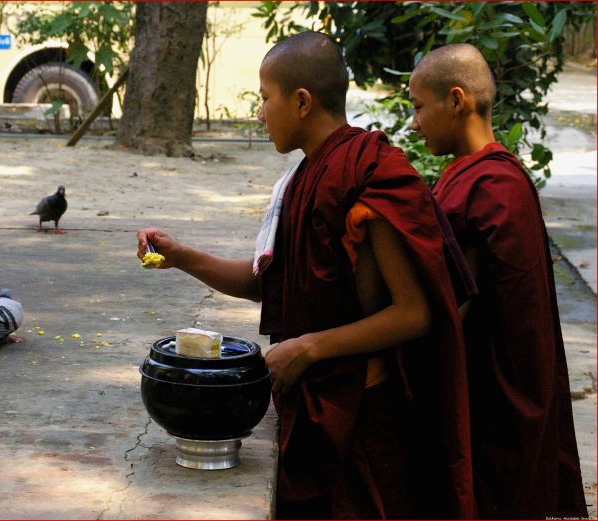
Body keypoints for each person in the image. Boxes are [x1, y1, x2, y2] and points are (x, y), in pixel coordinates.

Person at [138, 32, 474, 519]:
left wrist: (310, 346)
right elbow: (265, 284)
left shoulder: (371, 173)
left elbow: (415, 313)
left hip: (363, 405)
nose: (259, 112)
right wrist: (181, 255)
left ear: (301, 102)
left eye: (265, 98)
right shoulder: (300, 180)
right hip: (312, 397)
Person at [409, 42, 588, 519]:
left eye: (418, 107)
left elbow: (457, 307)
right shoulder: (473, 176)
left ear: (456, 99)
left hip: (499, 400)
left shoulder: (496, 186)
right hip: (490, 389)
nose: (413, 122)